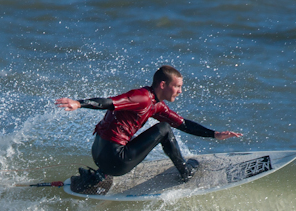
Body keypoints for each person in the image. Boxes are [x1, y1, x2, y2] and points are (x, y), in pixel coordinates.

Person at [56, 65, 242, 192]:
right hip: (115, 160)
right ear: (163, 85)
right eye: (177, 86)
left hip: (100, 155)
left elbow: (183, 124)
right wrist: (79, 104)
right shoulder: (142, 98)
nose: (180, 91)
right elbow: (108, 102)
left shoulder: (155, 105)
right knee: (163, 129)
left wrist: (214, 134)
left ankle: (99, 176)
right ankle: (185, 171)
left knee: (166, 125)